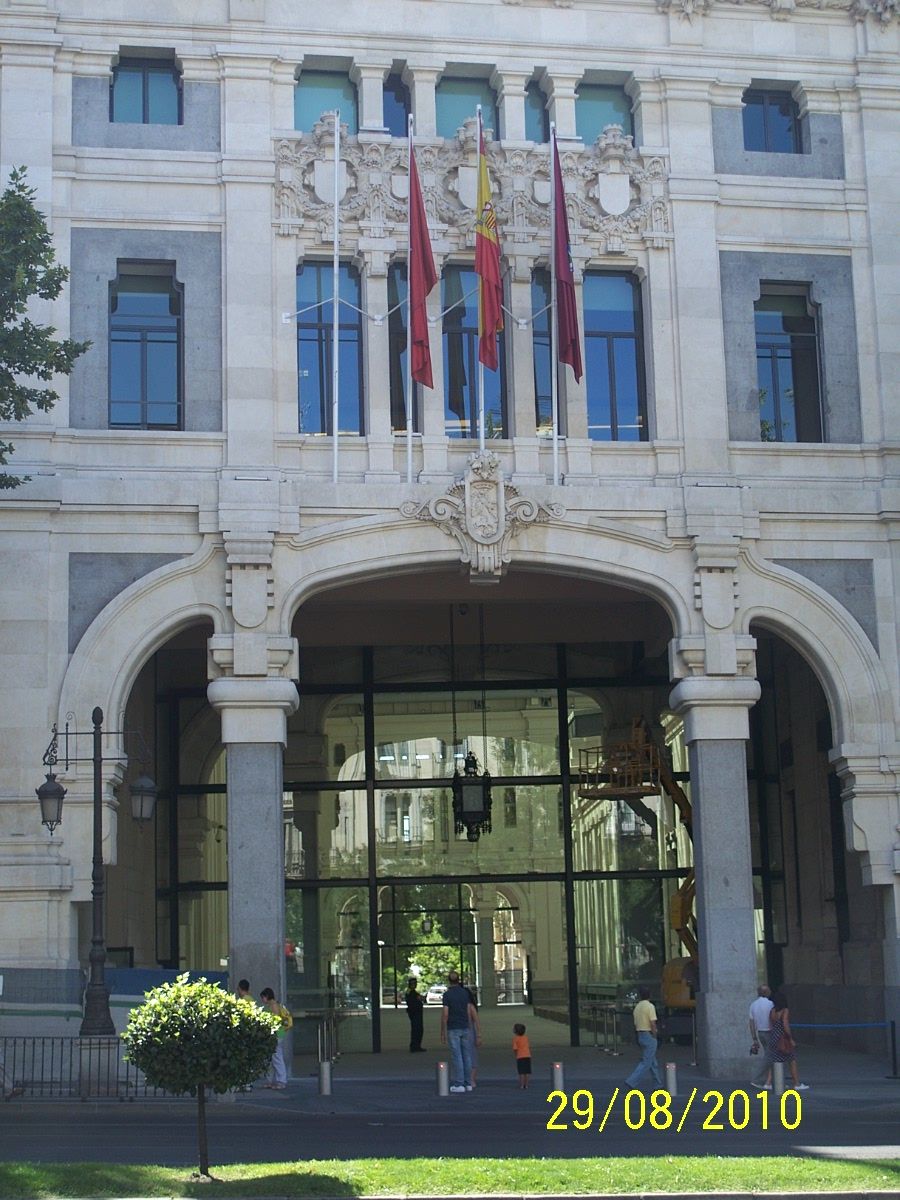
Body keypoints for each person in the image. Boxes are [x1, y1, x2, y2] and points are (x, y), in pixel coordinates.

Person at [440, 970, 480, 1093]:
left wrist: (442, 1031)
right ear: (458, 980)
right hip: (465, 1027)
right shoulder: (465, 993)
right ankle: (468, 1083)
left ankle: (459, 1083)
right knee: (466, 1055)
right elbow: (469, 1010)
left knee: (457, 1056)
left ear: (449, 981)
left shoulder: (447, 995)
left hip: (453, 1028)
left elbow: (445, 1014)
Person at [624, 985, 663, 1090]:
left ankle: (658, 1084)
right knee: (646, 1062)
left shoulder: (637, 1007)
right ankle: (631, 1081)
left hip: (640, 1035)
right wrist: (655, 1035)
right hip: (649, 1035)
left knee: (652, 1060)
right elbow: (653, 1023)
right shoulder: (650, 1007)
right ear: (650, 995)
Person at [768, 989, 808, 1090]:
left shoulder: (772, 1011)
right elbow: (785, 1024)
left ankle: (771, 1082)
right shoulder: (785, 1011)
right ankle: (796, 1083)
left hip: (774, 1037)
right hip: (783, 1038)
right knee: (792, 1060)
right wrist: (790, 1038)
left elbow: (772, 1024)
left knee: (775, 1060)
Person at [259, 986, 292, 1089]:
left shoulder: (273, 1006)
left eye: (263, 997)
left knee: (276, 1057)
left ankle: (281, 1080)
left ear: (267, 996)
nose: (262, 1000)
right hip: (279, 1033)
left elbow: (275, 1021)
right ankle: (273, 1080)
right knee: (272, 1057)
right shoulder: (275, 1004)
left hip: (276, 1033)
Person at [749, 983, 774, 1088]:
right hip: (770, 1032)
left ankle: (770, 1081)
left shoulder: (753, 1004)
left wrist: (754, 1039)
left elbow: (751, 1023)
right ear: (767, 992)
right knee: (769, 1057)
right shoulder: (771, 1004)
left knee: (771, 1056)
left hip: (760, 1033)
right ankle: (756, 1079)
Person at [464, 982, 479, 1086]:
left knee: (471, 1055)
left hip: (469, 1032)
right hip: (466, 1032)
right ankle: (468, 1079)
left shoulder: (469, 1007)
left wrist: (479, 1035)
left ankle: (471, 1079)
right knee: (467, 1055)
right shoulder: (467, 1006)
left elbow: (477, 1021)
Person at [405, 978, 425, 1052]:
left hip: (415, 1012)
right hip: (415, 1013)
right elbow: (414, 1001)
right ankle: (415, 1046)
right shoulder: (411, 992)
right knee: (417, 1029)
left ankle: (416, 1045)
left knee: (417, 1029)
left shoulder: (411, 992)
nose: (415, 985)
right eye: (414, 983)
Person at [512, 1022, 532, 1089]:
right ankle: (526, 1085)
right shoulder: (526, 1038)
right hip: (527, 1056)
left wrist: (516, 1055)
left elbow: (515, 1048)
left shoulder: (515, 1039)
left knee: (521, 1072)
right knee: (527, 1072)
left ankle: (521, 1085)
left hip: (520, 1056)